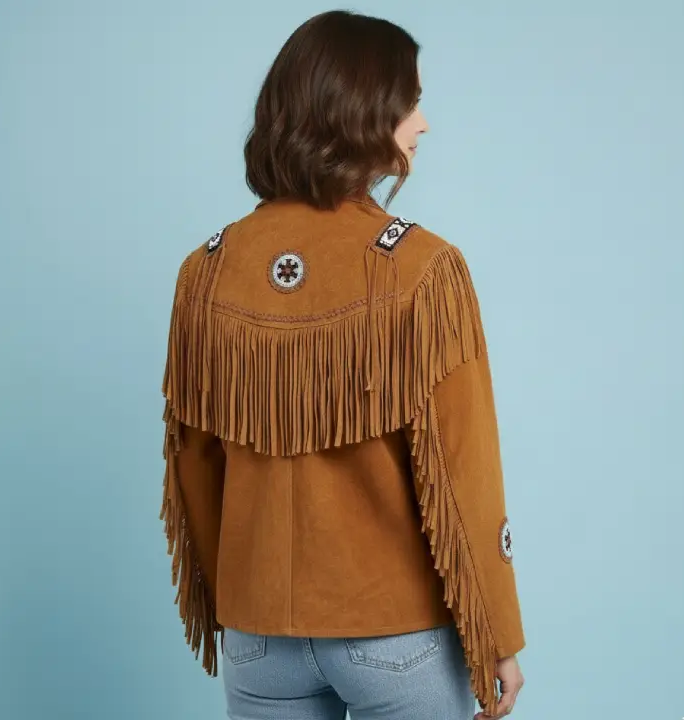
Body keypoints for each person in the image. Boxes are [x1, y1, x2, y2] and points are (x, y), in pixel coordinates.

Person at [159, 9, 526, 720]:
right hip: (394, 631)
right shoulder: (424, 269)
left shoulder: (205, 271)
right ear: (364, 111)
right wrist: (497, 633)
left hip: (257, 634)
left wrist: (235, 599)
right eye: (410, 103)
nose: (423, 124)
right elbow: (463, 474)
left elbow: (193, 466)